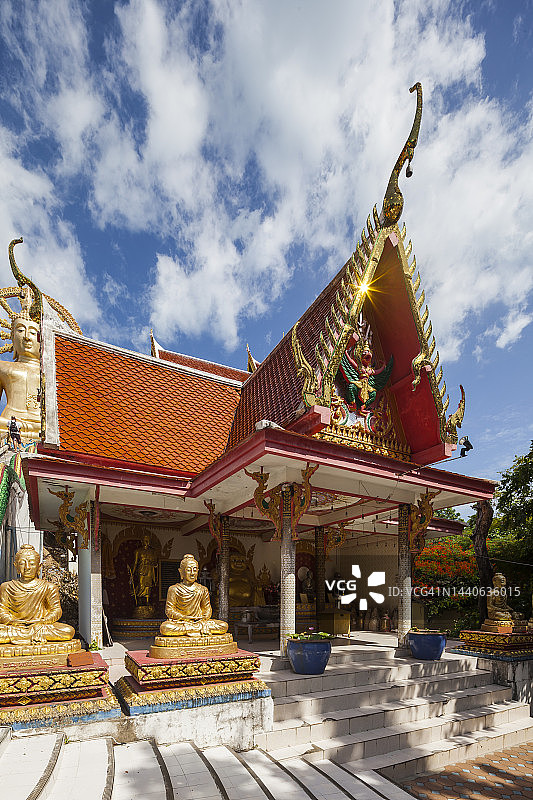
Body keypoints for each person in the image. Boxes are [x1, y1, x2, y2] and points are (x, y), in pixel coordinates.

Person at [0, 544, 75, 645]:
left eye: (31, 563)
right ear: (16, 566)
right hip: (15, 627)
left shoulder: (48, 587)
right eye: (22, 563)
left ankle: (25, 637)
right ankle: (31, 637)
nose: (27, 567)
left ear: (39, 566)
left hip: (40, 626)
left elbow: (56, 610)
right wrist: (13, 621)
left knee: (68, 631)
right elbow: (2, 611)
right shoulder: (7, 587)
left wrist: (42, 621)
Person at [0, 300, 41, 441]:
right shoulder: (2, 367)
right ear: (12, 336)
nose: (27, 337)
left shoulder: (51, 373)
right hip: (8, 423)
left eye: (34, 332)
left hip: (41, 427)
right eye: (21, 330)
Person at [160, 554, 228, 637]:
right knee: (166, 628)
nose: (192, 573)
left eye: (195, 570)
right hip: (182, 622)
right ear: (181, 571)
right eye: (188, 570)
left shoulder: (202, 589)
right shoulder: (174, 589)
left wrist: (203, 618)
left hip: (200, 622)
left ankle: (191, 630)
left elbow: (207, 608)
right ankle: (195, 630)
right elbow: (169, 610)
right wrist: (185, 617)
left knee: (223, 626)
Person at [131, 533, 158, 607]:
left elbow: (156, 563)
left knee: (148, 586)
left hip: (149, 570)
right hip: (141, 570)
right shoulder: (138, 551)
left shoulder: (153, 551)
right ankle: (139, 600)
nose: (146, 542)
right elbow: (135, 563)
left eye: (147, 540)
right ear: (142, 541)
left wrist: (153, 564)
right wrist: (132, 573)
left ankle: (147, 601)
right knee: (141, 585)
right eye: (144, 540)